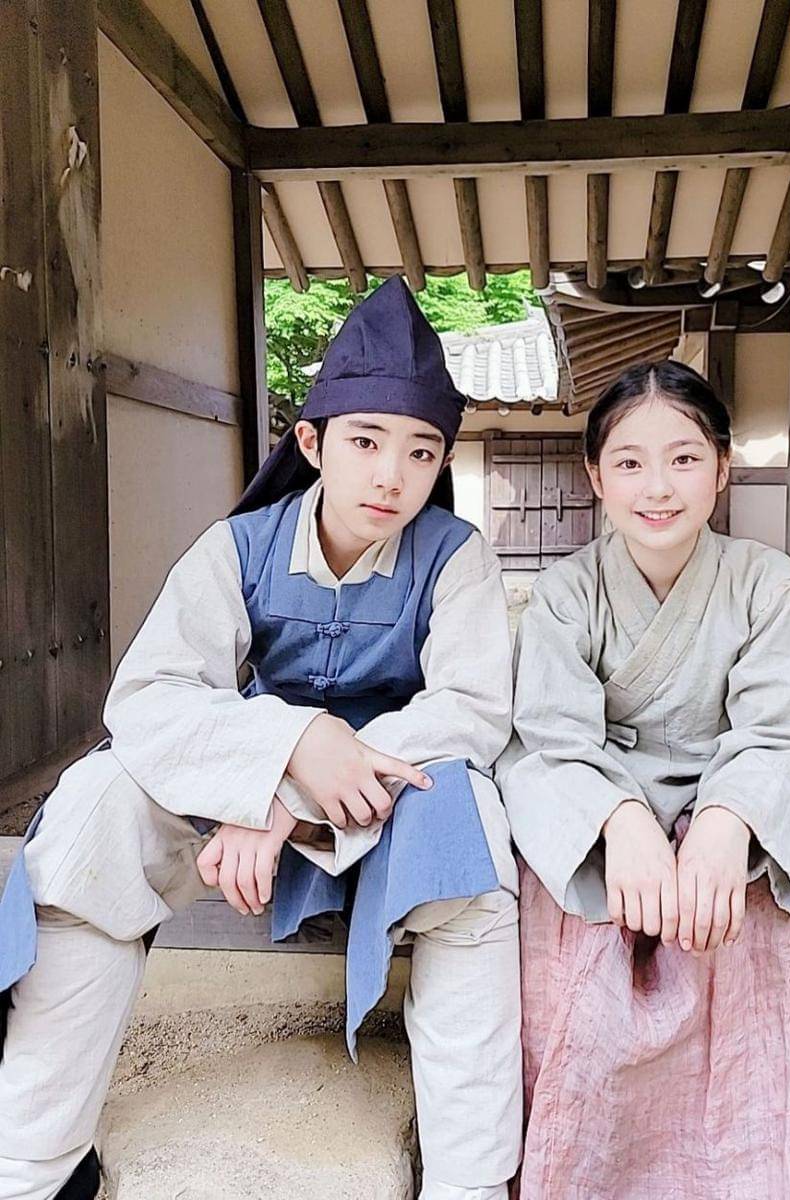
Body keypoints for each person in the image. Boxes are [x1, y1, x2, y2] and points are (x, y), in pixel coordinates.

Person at [0, 276, 522, 1200]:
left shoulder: (456, 555)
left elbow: (471, 708)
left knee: (470, 827)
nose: (391, 475)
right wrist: (284, 750)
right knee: (91, 808)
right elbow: (149, 697)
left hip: (385, 806)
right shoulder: (236, 546)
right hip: (238, 796)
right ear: (312, 443)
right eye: (365, 441)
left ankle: (466, 1183)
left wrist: (291, 793)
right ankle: (30, 1163)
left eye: (420, 451)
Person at [497, 360, 790, 1199]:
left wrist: (725, 823)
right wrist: (620, 822)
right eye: (629, 462)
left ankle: (761, 1160)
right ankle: (605, 1164)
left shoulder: (766, 586)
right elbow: (548, 741)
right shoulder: (565, 595)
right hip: (607, 819)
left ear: (720, 466)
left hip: (739, 817)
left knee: (766, 915)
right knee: (577, 935)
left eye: (682, 458)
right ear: (595, 476)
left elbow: (786, 733)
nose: (656, 487)